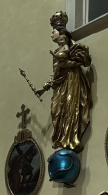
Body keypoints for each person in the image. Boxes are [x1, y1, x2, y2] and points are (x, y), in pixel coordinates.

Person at [34, 12, 92, 153]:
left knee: (70, 108)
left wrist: (66, 64)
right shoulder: (56, 52)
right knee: (56, 110)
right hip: (59, 84)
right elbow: (56, 73)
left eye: (53, 32)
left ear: (61, 34)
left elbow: (80, 62)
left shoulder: (71, 49)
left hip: (71, 81)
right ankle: (61, 138)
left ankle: (70, 138)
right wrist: (45, 87)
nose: (51, 35)